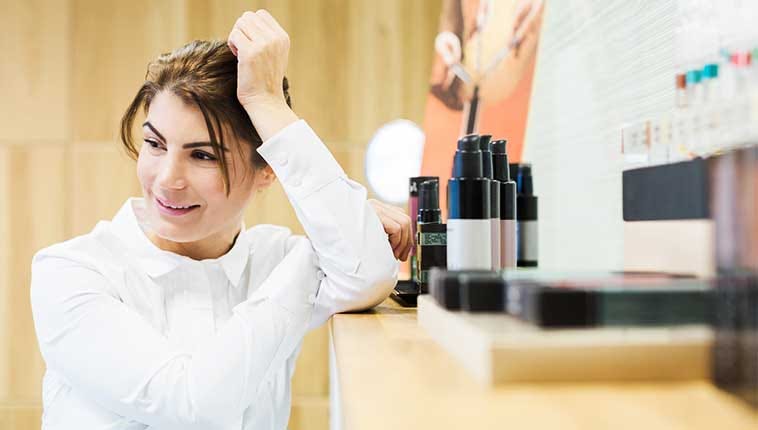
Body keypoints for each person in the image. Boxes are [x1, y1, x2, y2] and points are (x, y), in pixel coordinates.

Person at [30, 10, 411, 430]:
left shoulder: (272, 259)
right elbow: (193, 405)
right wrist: (319, 255)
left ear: (269, 168)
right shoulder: (70, 271)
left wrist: (267, 104)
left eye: (203, 155)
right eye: (155, 144)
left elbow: (370, 272)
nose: (167, 179)